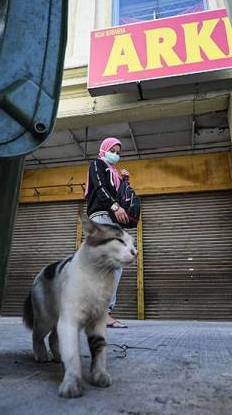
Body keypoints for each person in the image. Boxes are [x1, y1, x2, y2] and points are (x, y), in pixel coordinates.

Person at [84, 137, 130, 328]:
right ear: (104, 149)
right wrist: (114, 205)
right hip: (101, 216)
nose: (116, 155)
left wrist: (125, 179)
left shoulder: (115, 173)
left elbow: (120, 195)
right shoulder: (97, 164)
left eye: (119, 152)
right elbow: (101, 188)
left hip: (110, 219)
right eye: (113, 150)